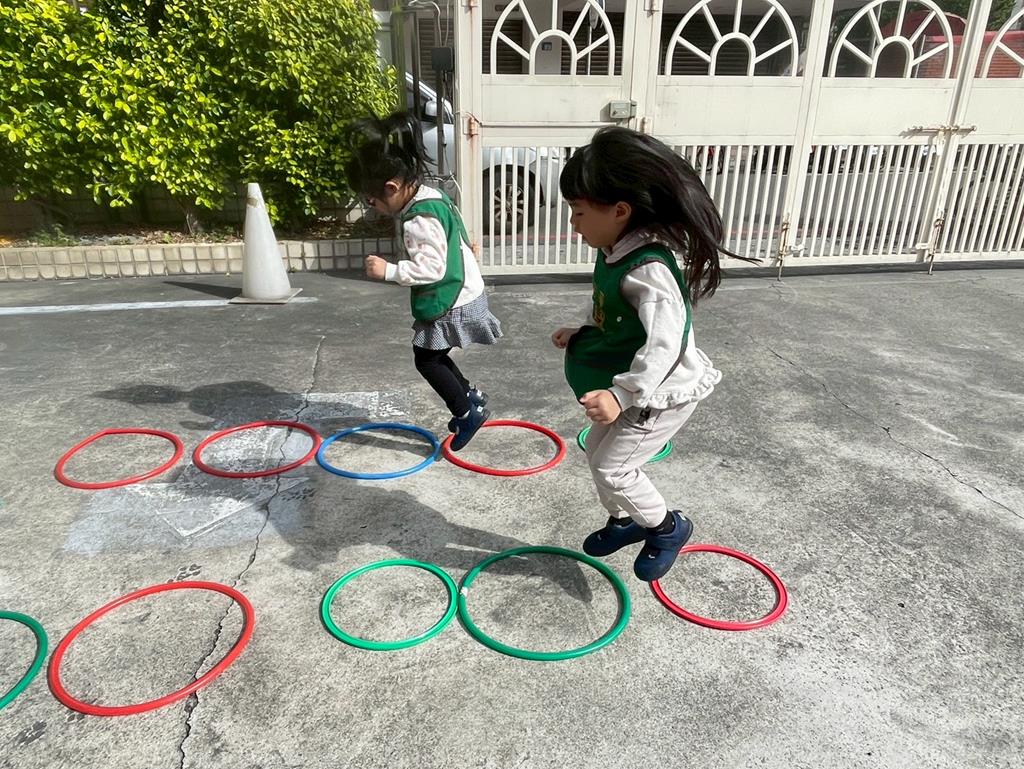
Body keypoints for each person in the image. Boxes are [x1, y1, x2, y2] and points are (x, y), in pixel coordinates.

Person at [551, 127, 757, 581]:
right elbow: (609, 303)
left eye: (578, 211)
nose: (573, 223)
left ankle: (667, 528)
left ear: (619, 211)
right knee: (598, 456)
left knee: (614, 468)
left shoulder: (649, 269)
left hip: (659, 394)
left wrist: (622, 395)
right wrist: (582, 328)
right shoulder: (613, 249)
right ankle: (624, 522)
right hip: (637, 388)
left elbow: (667, 342)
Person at [347, 111, 501, 450]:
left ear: (391, 187)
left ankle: (466, 414)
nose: (372, 206)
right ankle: (470, 396)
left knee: (427, 359)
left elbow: (432, 270)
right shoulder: (431, 195)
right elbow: (453, 237)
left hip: (453, 299)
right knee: (434, 353)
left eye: (371, 200)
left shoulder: (417, 220)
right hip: (467, 290)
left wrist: (388, 271)